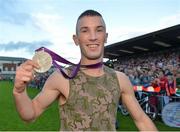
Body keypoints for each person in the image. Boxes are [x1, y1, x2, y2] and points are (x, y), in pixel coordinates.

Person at [13, 9, 157, 131]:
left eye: (98, 30)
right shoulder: (61, 77)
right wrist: (19, 92)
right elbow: (30, 114)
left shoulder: (120, 79)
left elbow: (141, 120)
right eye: (85, 31)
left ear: (105, 37)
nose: (93, 37)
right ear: (76, 39)